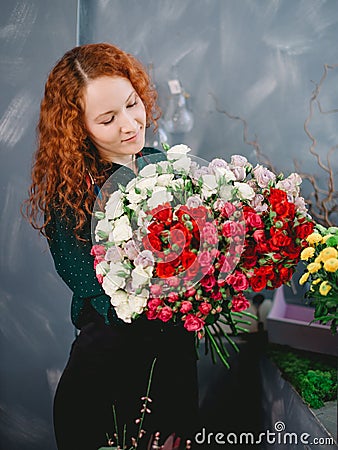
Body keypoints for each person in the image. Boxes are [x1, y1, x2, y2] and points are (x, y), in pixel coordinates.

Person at [24, 43, 199, 450]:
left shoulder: (165, 166)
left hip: (175, 371)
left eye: (132, 104)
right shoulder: (70, 196)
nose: (129, 124)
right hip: (107, 380)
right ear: (78, 128)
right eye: (107, 119)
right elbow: (101, 293)